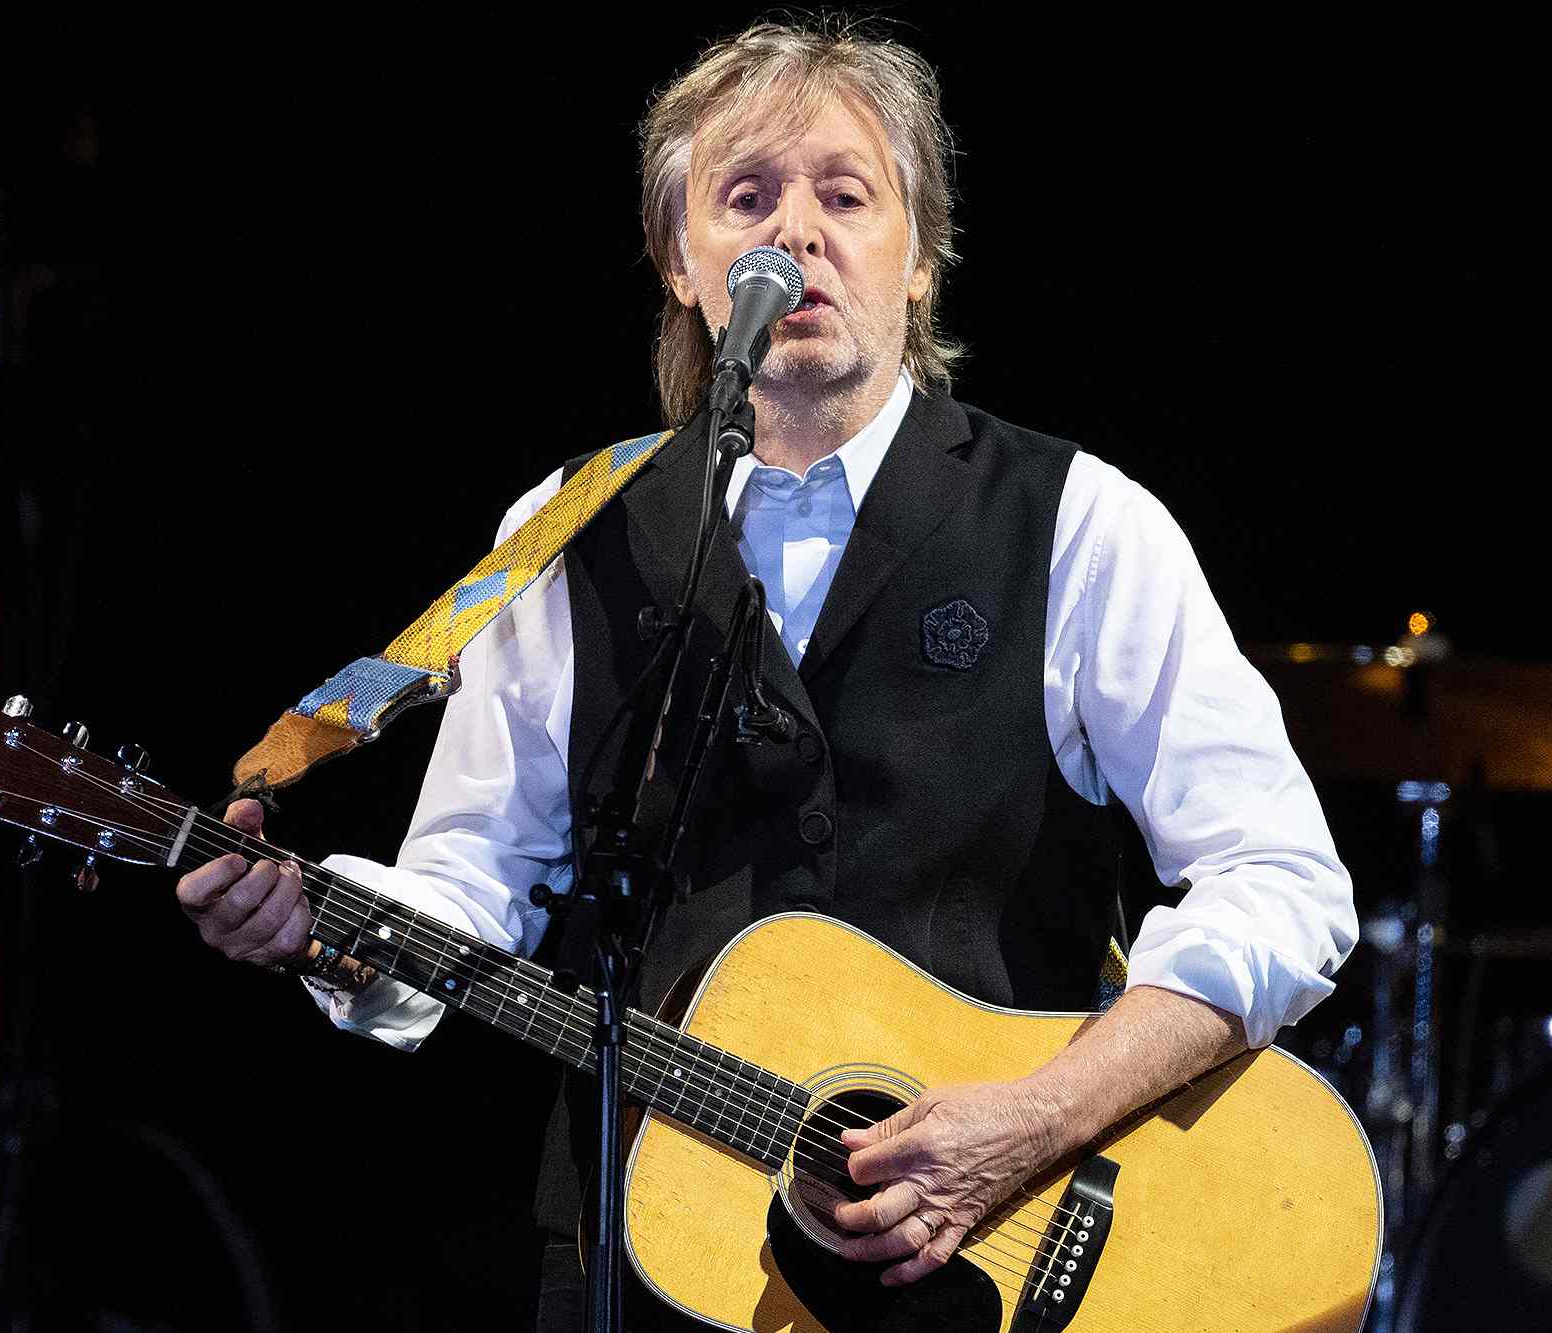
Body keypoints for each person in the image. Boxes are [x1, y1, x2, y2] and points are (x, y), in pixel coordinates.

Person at [176, 17, 1355, 1329]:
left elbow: (1285, 883)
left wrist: (1031, 1120)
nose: (797, 230)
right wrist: (324, 933)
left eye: (846, 194)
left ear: (921, 260)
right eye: (746, 197)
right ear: (683, 263)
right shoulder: (568, 532)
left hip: (991, 1274)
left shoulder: (1078, 523)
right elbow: (468, 887)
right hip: (648, 1260)